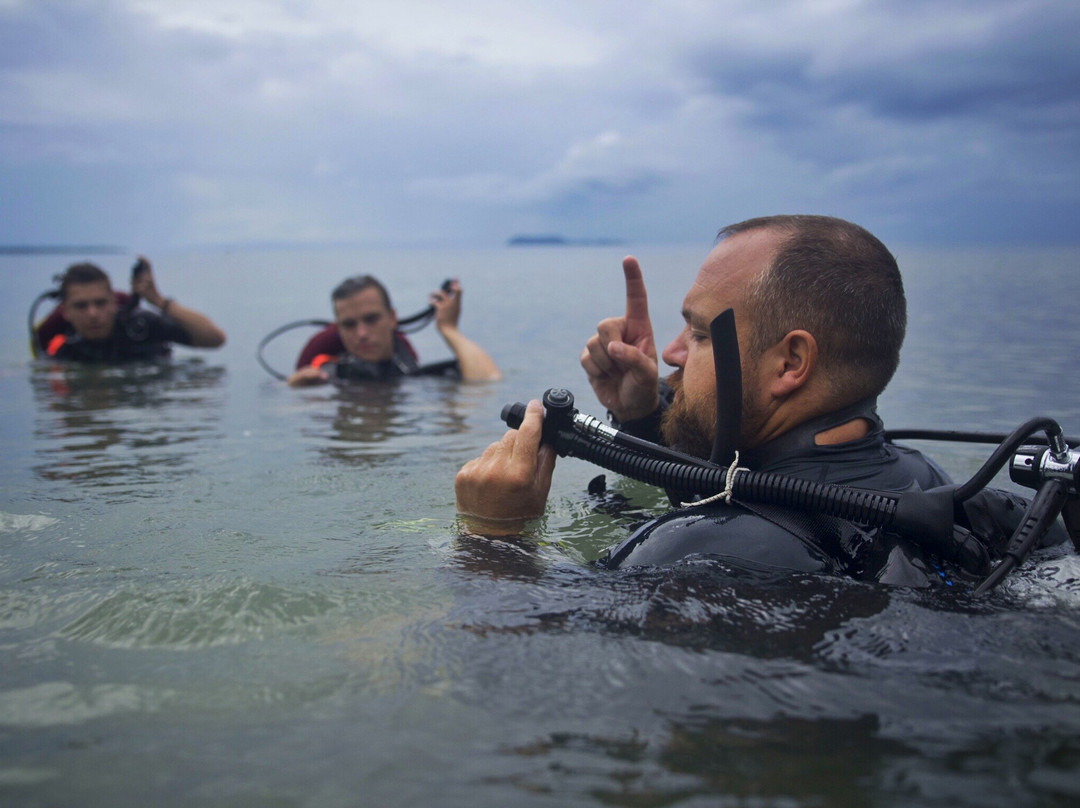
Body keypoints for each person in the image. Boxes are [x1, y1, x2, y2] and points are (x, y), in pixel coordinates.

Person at [455, 215, 1069, 584]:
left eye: (696, 333)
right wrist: (640, 415)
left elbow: (519, 674)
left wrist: (493, 537)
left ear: (790, 363)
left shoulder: (692, 550)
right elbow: (743, 497)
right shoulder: (923, 481)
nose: (670, 353)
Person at [286, 275, 501, 386]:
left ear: (392, 318)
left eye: (371, 319)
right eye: (349, 325)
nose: (361, 333)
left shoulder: (409, 371)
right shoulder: (326, 373)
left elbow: (488, 380)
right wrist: (293, 388)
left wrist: (448, 328)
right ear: (337, 328)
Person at [36, 259, 226, 362]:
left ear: (114, 302)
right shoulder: (64, 350)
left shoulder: (140, 328)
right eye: (81, 306)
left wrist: (159, 301)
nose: (92, 313)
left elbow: (214, 339)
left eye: (100, 303)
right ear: (65, 311)